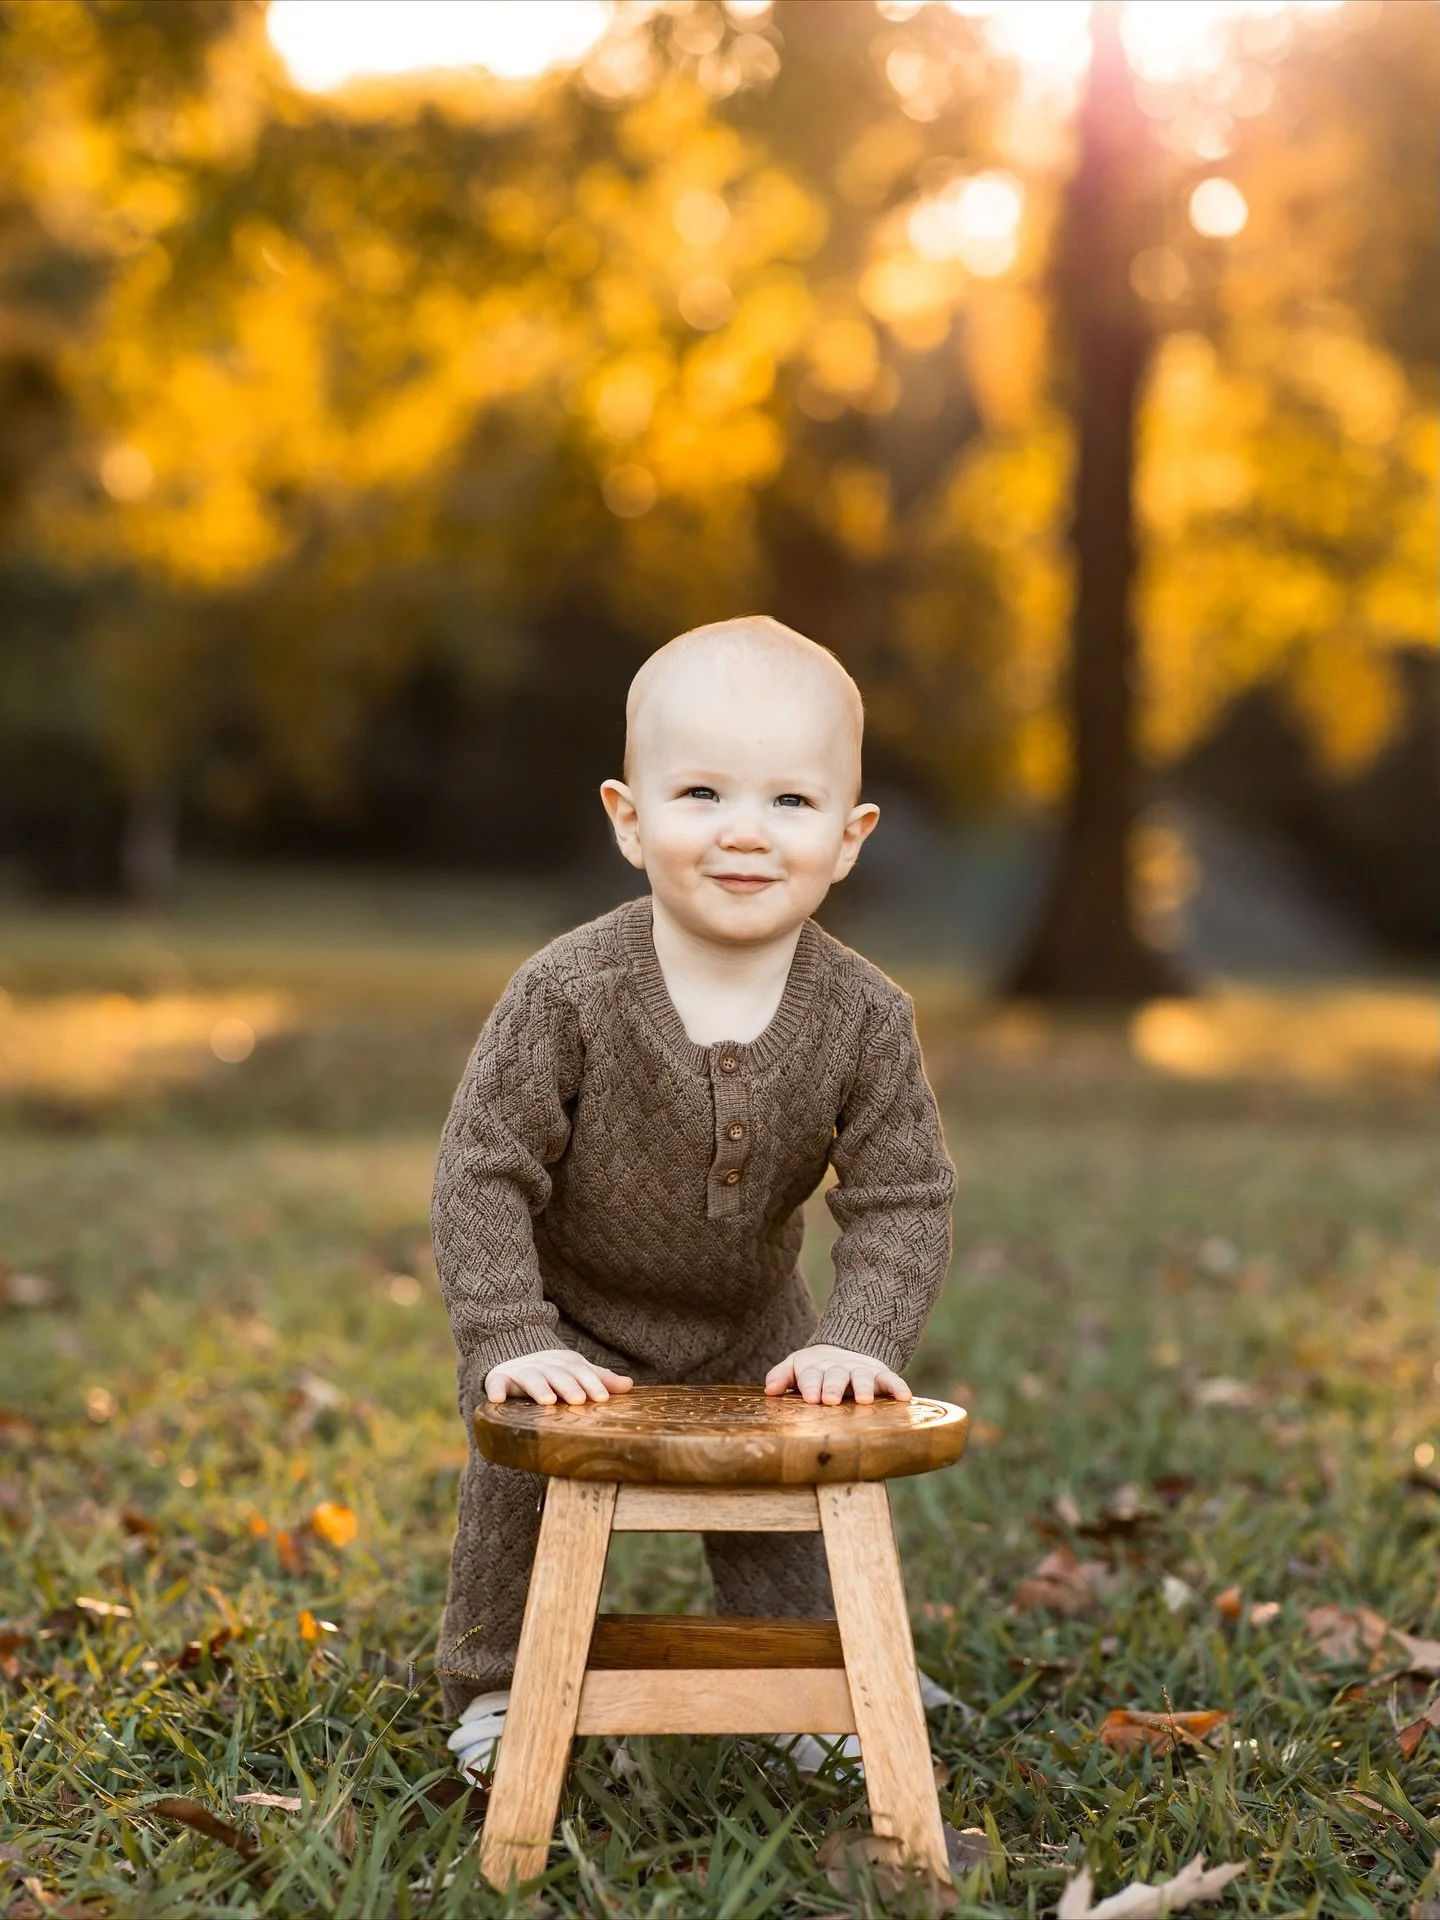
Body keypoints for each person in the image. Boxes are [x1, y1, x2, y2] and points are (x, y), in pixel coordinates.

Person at [432, 614, 957, 1782]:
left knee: (797, 1492)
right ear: (628, 818)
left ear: (850, 836)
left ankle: (811, 1674)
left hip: (750, 1324)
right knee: (517, 1487)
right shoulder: (567, 992)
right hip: (576, 1323)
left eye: (789, 804)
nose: (743, 835)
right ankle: (495, 1690)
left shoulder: (866, 1015)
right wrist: (512, 1334)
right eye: (703, 793)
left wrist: (859, 1337)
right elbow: (482, 1169)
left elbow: (903, 1194)